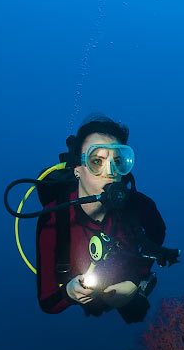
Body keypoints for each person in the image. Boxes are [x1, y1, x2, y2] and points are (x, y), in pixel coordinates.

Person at [36, 116, 173, 323]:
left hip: (121, 276)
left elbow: (157, 237)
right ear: (77, 169)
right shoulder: (55, 219)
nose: (110, 172)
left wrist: (136, 279)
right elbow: (47, 301)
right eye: (97, 161)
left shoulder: (142, 207)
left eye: (117, 161)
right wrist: (70, 294)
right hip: (82, 287)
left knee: (135, 311)